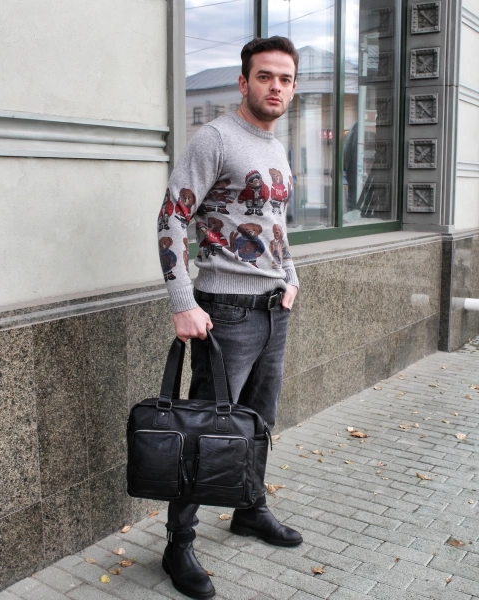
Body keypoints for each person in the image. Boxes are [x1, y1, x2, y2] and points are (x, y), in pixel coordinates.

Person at [158, 36, 302, 600]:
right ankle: (178, 542)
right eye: (265, 76)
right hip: (225, 312)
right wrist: (183, 302)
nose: (275, 87)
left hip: (273, 310)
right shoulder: (215, 138)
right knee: (204, 432)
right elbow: (172, 219)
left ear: (293, 88)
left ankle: (249, 508)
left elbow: (275, 225)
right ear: (244, 82)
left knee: (260, 421)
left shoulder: (276, 147)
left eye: (285, 79)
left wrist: (291, 277)